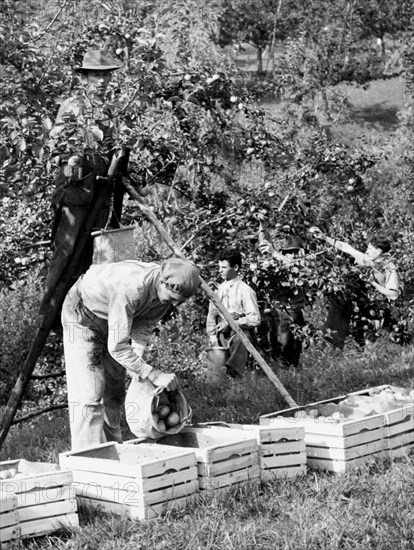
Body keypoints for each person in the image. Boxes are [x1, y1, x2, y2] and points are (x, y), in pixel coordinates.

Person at [61, 257, 201, 450]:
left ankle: (113, 450)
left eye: (180, 302)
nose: (174, 305)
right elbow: (117, 347)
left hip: (115, 319)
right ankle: (88, 459)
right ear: (162, 281)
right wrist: (153, 374)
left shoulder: (163, 294)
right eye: (172, 299)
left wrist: (138, 365)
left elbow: (142, 328)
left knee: (114, 392)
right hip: (82, 315)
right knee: (89, 393)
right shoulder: (132, 288)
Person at [39, 49, 126, 319]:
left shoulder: (111, 110)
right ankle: (49, 313)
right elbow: (54, 146)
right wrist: (73, 158)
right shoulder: (73, 106)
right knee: (65, 250)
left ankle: (83, 313)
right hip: (75, 193)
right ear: (85, 78)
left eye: (106, 77)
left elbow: (118, 150)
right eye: (96, 76)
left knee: (96, 257)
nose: (102, 82)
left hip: (101, 195)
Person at [309, 226, 400, 348]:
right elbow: (347, 248)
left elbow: (393, 295)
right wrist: (325, 237)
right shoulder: (370, 260)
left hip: (378, 307)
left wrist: (373, 283)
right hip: (365, 302)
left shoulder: (390, 269)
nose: (366, 251)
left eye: (369, 249)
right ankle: (335, 341)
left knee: (368, 330)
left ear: (378, 252)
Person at [257, 222, 307, 367]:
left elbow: (294, 269)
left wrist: (274, 252)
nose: (292, 255)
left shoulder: (302, 267)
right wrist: (262, 226)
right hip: (278, 312)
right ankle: (284, 373)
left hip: (293, 311)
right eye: (289, 252)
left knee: (293, 345)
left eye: (295, 252)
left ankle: (292, 373)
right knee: (279, 343)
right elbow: (264, 244)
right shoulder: (278, 266)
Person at [206, 249, 261, 378]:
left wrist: (231, 324)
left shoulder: (245, 290)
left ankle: (234, 375)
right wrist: (213, 338)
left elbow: (255, 319)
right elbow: (211, 315)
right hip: (221, 333)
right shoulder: (218, 290)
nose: (220, 270)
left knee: (241, 339)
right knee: (215, 376)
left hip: (239, 332)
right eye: (219, 267)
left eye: (224, 267)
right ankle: (218, 383)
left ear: (235, 267)